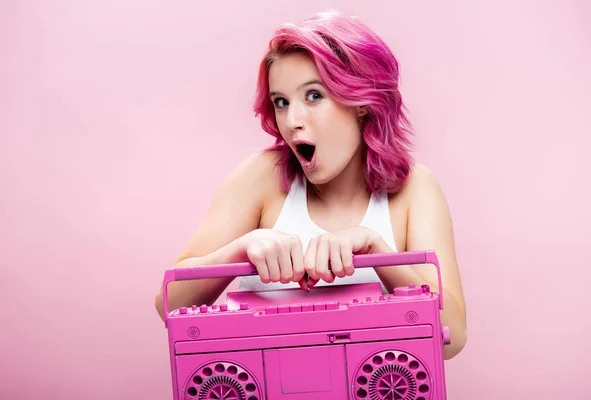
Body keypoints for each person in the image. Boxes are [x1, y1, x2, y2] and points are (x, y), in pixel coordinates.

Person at [154, 10, 467, 359]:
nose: (292, 121)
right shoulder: (260, 176)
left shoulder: (415, 189)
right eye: (281, 102)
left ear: (361, 102)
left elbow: (451, 338)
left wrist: (378, 252)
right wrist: (241, 249)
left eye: (314, 96)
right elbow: (169, 304)